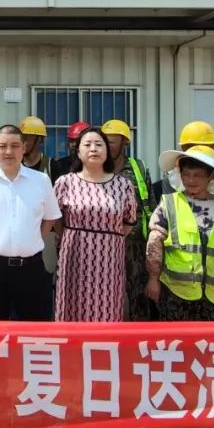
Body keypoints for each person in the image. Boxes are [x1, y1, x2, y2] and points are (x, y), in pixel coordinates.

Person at [0, 124, 61, 321]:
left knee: (31, 327)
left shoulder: (41, 180)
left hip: (30, 268)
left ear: (23, 148)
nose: (8, 151)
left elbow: (50, 216)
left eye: (15, 146)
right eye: (3, 146)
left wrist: (36, 239)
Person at [146, 146, 214, 321]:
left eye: (198, 175)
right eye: (186, 174)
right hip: (176, 292)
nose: (191, 180)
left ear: (211, 176)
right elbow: (154, 243)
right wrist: (153, 278)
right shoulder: (169, 204)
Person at [53, 126, 136, 322]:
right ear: (78, 151)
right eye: (87, 144)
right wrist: (70, 235)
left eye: (99, 144)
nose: (93, 149)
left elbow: (129, 221)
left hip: (109, 258)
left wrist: (108, 237)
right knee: (72, 306)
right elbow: (55, 218)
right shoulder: (65, 182)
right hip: (74, 254)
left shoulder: (123, 185)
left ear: (107, 151)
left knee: (107, 307)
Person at [100, 118, 156, 321]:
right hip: (104, 244)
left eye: (111, 142)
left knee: (138, 296)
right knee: (104, 294)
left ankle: (139, 334)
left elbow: (150, 204)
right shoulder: (95, 169)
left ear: (124, 143)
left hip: (135, 245)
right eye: (103, 142)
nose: (106, 147)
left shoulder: (138, 168)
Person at [151, 120, 214, 210]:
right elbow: (168, 215)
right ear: (184, 148)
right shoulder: (171, 180)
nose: (200, 151)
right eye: (186, 174)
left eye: (207, 147)